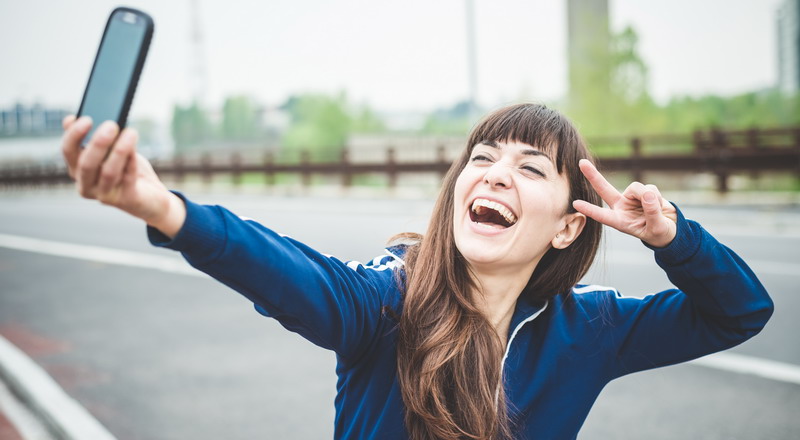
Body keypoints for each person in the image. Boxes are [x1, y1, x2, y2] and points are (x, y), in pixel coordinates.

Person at [60, 103, 773, 440]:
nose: (494, 176)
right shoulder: (388, 299)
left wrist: (674, 238)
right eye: (482, 158)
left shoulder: (592, 329)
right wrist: (166, 209)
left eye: (529, 168)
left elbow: (738, 311)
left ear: (566, 225)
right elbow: (295, 275)